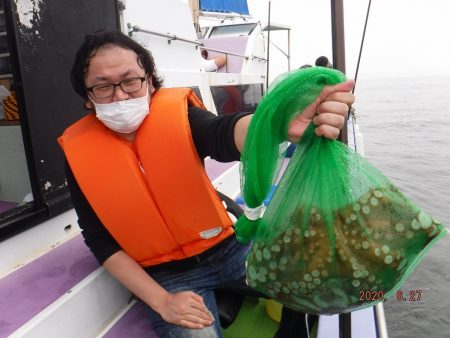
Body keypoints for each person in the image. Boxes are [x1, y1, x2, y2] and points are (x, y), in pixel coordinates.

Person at [59, 30, 355, 338]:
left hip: (230, 249)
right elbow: (99, 238)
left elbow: (222, 133)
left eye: (130, 80)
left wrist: (275, 125)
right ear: (88, 97)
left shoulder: (181, 116)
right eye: (103, 87)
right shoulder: (77, 154)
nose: (120, 95)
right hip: (167, 276)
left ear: (149, 81)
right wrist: (163, 301)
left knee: (313, 279)